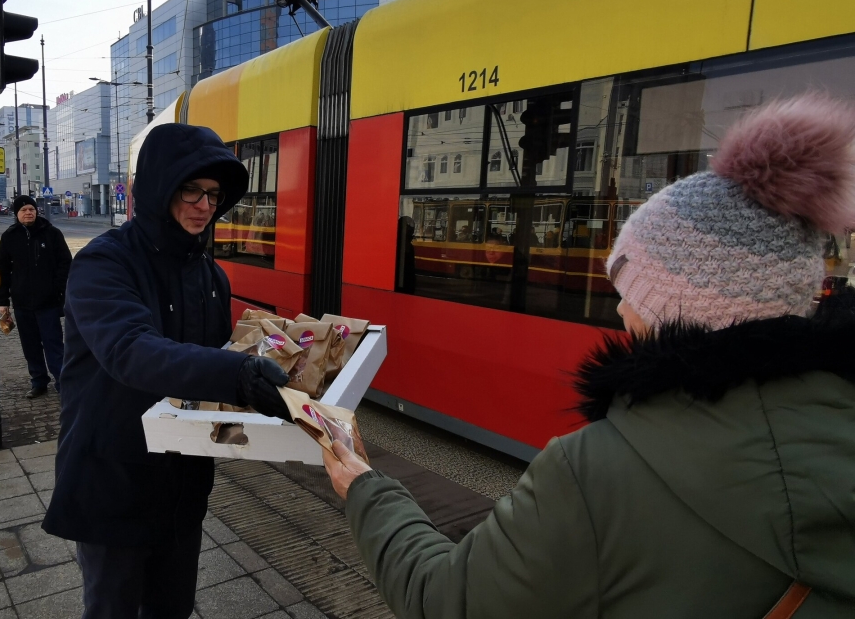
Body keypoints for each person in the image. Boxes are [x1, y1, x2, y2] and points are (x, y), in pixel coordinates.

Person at [323, 94, 855, 617]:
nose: (621, 309)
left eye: (633, 291)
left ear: (684, 309)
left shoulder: (595, 474)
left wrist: (367, 491)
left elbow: (444, 601)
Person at [42, 124, 293, 619]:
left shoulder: (212, 275)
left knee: (173, 608)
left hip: (182, 487)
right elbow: (131, 350)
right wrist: (238, 373)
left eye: (214, 194)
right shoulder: (104, 263)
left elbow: (209, 371)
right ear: (159, 188)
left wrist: (268, 385)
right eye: (190, 189)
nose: (204, 205)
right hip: (112, 480)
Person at [0, 195, 72, 398]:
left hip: (48, 302)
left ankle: (63, 383)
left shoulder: (52, 234)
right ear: (17, 214)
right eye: (24, 210)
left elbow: (65, 263)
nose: (28, 213)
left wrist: (57, 288)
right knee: (30, 346)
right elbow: (2, 270)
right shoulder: (10, 236)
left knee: (54, 345)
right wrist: (2, 301)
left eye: (31, 209)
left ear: (36, 211)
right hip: (22, 303)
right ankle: (38, 381)